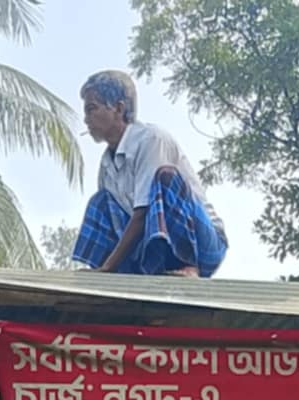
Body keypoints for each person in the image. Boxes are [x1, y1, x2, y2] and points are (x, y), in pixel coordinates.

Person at [71, 71, 228, 278]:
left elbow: (143, 213)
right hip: (154, 248)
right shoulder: (107, 165)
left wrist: (108, 266)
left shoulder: (151, 140)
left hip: (205, 245)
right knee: (101, 202)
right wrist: (106, 268)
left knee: (166, 178)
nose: (86, 119)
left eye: (91, 109)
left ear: (119, 108)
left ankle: (189, 266)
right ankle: (116, 274)